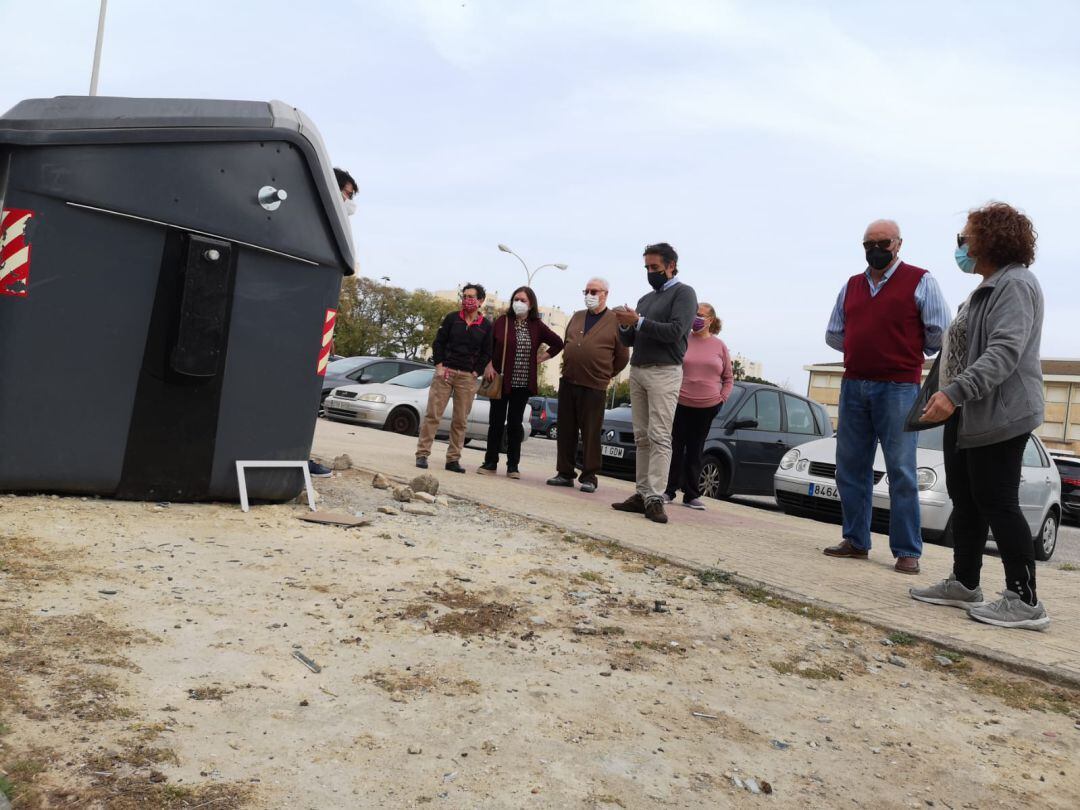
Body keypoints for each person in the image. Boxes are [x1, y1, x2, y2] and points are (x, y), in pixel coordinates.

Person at [911, 202, 1049, 630]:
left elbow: (1004, 351)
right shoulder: (984, 289)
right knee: (966, 499)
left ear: (990, 239)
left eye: (966, 236)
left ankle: (1025, 600)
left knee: (997, 501)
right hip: (967, 412)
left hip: (1001, 413)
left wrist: (955, 392)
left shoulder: (1016, 284)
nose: (961, 244)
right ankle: (965, 583)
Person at [823, 219, 951, 574]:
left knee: (901, 470)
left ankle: (907, 550)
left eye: (883, 243)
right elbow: (834, 333)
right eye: (869, 244)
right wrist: (861, 346)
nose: (876, 250)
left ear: (898, 244)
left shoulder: (921, 280)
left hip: (899, 387)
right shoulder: (851, 285)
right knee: (850, 467)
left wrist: (902, 351)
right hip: (854, 384)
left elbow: (939, 333)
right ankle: (855, 540)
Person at [611, 243, 697, 524]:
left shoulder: (684, 294)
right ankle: (642, 493)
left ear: (671, 266)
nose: (650, 272)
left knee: (660, 435)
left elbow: (675, 331)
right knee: (642, 436)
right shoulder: (645, 299)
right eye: (647, 267)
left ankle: (656, 497)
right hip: (639, 370)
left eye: (655, 267)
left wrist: (638, 321)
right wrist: (625, 324)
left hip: (664, 371)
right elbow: (629, 339)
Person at [546, 277, 629, 493]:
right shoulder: (577, 316)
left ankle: (590, 476)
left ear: (605, 294)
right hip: (569, 380)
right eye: (587, 291)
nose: (589, 295)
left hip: (595, 386)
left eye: (594, 292)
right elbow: (568, 342)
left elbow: (622, 357)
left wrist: (606, 374)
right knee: (566, 429)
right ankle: (565, 473)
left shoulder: (615, 320)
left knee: (591, 432)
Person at [478, 286, 564, 478]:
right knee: (496, 422)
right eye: (516, 299)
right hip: (500, 381)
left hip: (523, 383)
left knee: (515, 424)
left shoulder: (537, 325)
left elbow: (558, 343)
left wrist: (541, 358)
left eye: (523, 300)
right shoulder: (502, 321)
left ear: (531, 304)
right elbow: (487, 345)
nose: (518, 303)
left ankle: (513, 466)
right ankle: (490, 462)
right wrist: (488, 365)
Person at [309, 167, 360, 479]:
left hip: (316, 319)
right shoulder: (313, 221)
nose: (349, 203)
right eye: (347, 194)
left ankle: (298, 451)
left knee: (308, 393)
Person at [415, 284, 493, 473]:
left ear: (481, 300)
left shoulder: (486, 326)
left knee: (460, 420)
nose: (467, 300)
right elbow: (438, 343)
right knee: (433, 415)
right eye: (464, 296)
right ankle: (422, 454)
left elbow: (487, 352)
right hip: (446, 372)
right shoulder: (451, 318)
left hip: (467, 377)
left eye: (471, 297)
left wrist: (475, 372)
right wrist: (439, 366)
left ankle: (453, 459)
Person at [662, 303, 733, 509]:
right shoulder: (683, 338)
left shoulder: (719, 346)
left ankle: (691, 495)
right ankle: (668, 490)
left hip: (707, 406)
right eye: (694, 313)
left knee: (696, 449)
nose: (696, 318)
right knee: (675, 448)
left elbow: (728, 378)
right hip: (680, 403)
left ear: (711, 320)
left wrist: (722, 399)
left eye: (701, 315)